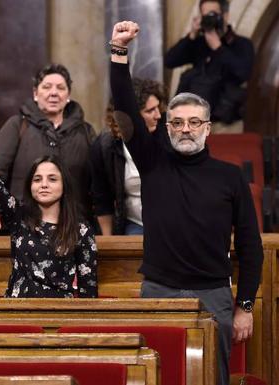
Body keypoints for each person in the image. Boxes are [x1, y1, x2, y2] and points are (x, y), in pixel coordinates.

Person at [110, 21, 263, 385]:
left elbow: (250, 247)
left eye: (195, 122)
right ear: (167, 128)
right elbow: (126, 111)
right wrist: (118, 52)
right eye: (177, 123)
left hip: (214, 294)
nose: (186, 129)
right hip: (159, 292)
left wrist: (244, 306)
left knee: (214, 377)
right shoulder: (152, 162)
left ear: (208, 128)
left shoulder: (230, 177)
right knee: (156, 377)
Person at [0, 103, 97, 298]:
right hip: (17, 316)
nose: (44, 184)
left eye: (52, 179)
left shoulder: (81, 230)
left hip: (60, 316)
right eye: (37, 179)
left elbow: (88, 291)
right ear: (30, 187)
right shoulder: (19, 217)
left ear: (64, 185)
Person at [0, 64, 96, 234]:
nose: (54, 93)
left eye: (61, 88)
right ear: (35, 93)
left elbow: (97, 183)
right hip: (24, 224)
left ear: (68, 95)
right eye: (47, 87)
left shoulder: (85, 131)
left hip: (73, 226)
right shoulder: (18, 125)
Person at [90, 78, 165, 235]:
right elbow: (102, 198)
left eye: (158, 108)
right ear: (131, 116)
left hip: (170, 220)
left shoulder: (168, 136)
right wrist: (108, 243)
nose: (158, 115)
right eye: (150, 110)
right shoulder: (105, 145)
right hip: (135, 222)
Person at [164, 0, 254, 127]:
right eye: (205, 15)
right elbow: (169, 61)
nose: (209, 19)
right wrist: (191, 35)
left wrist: (218, 48)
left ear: (225, 15)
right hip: (194, 122)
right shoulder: (200, 43)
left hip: (224, 123)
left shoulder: (242, 44)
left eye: (212, 15)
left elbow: (243, 73)